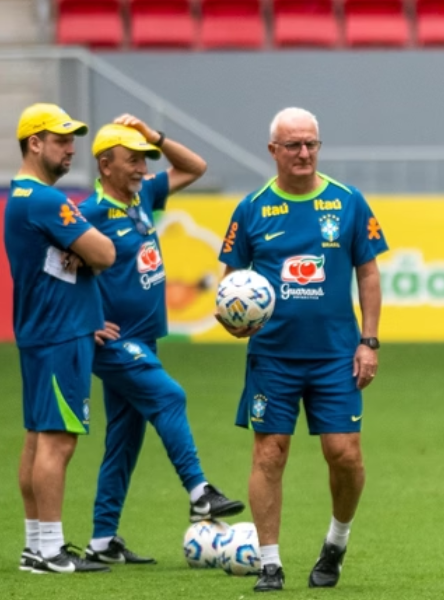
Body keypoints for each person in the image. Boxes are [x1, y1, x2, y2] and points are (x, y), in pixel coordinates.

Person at [217, 107, 388, 592]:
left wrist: (369, 340)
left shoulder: (348, 201)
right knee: (270, 454)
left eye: (311, 143)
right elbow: (231, 281)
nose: (304, 153)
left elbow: (369, 271)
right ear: (273, 150)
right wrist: (232, 318)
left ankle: (336, 543)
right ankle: (269, 563)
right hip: (272, 355)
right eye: (293, 145)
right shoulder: (251, 208)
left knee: (345, 454)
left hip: (336, 353)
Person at [78, 115, 245, 565]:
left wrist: (155, 137)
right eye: (132, 159)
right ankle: (199, 492)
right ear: (104, 164)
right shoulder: (88, 213)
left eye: (143, 160)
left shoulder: (142, 198)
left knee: (124, 440)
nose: (140, 168)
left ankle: (101, 543)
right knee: (170, 396)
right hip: (114, 343)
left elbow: (196, 168)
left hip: (143, 338)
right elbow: (50, 269)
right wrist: (85, 321)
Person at [4, 103, 116, 575]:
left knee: (37, 439)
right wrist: (87, 254)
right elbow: (106, 253)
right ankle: (49, 550)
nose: (72, 149)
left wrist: (80, 257)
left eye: (72, 139)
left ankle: (36, 544)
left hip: (40, 332)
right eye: (61, 139)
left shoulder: (21, 197)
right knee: (58, 442)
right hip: (60, 335)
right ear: (35, 143)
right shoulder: (47, 201)